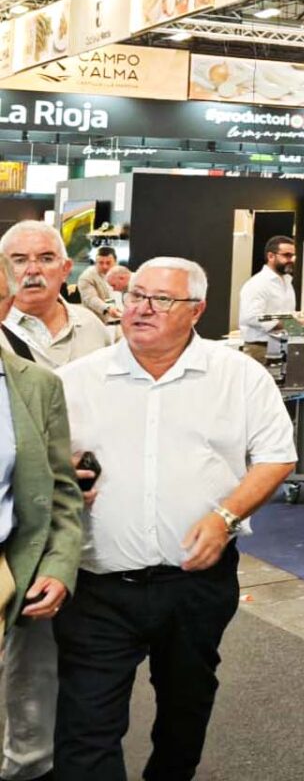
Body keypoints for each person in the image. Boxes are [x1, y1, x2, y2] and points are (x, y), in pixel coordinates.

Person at [54, 257, 296, 781]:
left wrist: (225, 517)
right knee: (84, 728)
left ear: (197, 311)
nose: (141, 308)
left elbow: (277, 456)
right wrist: (61, 474)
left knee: (185, 706)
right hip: (97, 585)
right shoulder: (74, 381)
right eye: (136, 295)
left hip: (194, 584)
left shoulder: (239, 377)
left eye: (161, 299)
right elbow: (40, 466)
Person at [0, 252, 87, 781]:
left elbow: (61, 493)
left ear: (6, 303)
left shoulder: (35, 385)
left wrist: (58, 565)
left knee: (28, 702)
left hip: (7, 567)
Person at [0, 226, 112, 373]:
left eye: (46, 259)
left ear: (65, 268)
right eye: (20, 260)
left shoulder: (91, 326)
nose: (33, 270)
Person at [235, 236, 296, 367]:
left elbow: (283, 313)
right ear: (271, 256)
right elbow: (251, 317)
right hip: (260, 349)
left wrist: (296, 319)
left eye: (293, 256)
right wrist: (288, 323)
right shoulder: (257, 283)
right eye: (287, 255)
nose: (291, 260)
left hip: (282, 346)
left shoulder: (287, 281)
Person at [74, 250, 117, 324]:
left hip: (120, 319)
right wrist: (107, 308)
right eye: (101, 263)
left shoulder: (121, 273)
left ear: (115, 262)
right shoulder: (87, 277)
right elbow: (91, 299)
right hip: (96, 321)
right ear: (95, 263)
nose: (105, 266)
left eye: (108, 263)